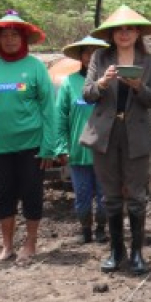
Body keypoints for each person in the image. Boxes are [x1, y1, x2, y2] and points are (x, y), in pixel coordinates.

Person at [0, 10, 61, 265]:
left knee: (31, 193)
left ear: (23, 38)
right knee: (4, 195)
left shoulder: (35, 67)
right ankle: (7, 246)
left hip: (32, 144)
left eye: (15, 35)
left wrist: (49, 146)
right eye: (5, 36)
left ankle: (31, 243)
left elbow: (49, 109)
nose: (10, 40)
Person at [82, 5, 151, 274]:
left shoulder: (150, 62)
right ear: (111, 33)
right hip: (105, 133)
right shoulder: (100, 57)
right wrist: (102, 83)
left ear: (138, 32)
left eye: (130, 29)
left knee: (137, 196)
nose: (124, 33)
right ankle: (116, 251)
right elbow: (87, 94)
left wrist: (139, 86)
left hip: (136, 133)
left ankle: (137, 253)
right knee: (111, 195)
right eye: (119, 29)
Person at [56, 35, 109, 245]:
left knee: (105, 197)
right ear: (80, 56)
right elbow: (60, 117)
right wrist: (61, 146)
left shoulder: (110, 82)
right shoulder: (69, 83)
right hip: (79, 152)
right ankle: (85, 228)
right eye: (87, 52)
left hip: (104, 150)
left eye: (96, 53)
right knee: (82, 196)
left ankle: (101, 229)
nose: (91, 56)